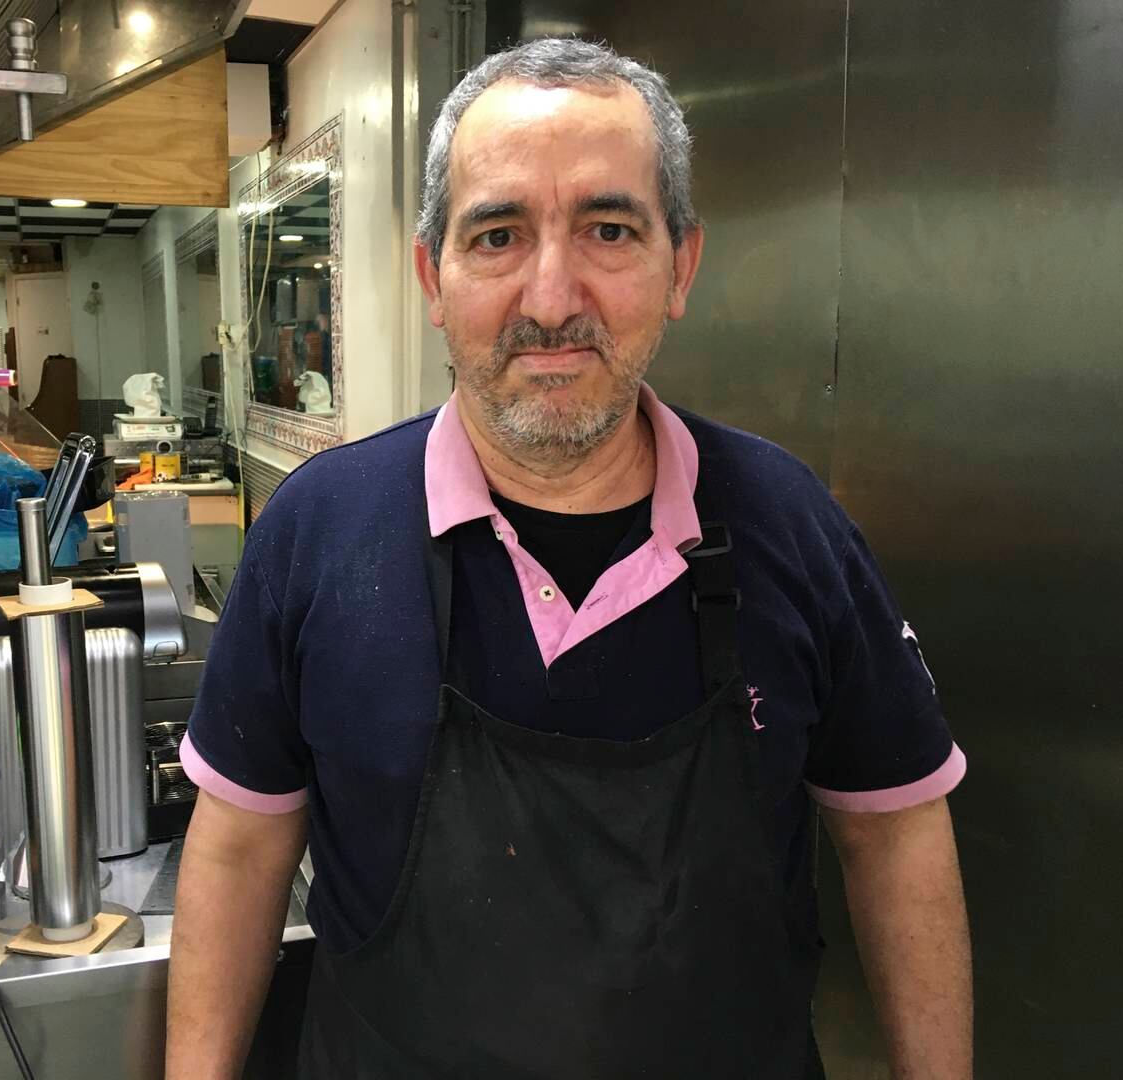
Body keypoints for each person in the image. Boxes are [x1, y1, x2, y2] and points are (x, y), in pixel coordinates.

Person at [165, 37, 972, 1080]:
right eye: (498, 234)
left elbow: (897, 836)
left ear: (680, 264)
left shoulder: (791, 525)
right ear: (433, 277)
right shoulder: (318, 534)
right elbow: (237, 853)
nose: (552, 297)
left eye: (607, 228)